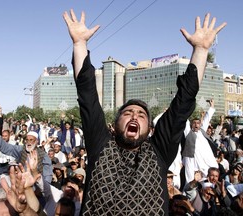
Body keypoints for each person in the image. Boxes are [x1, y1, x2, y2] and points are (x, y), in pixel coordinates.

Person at [63, 9, 226, 215]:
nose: (134, 116)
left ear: (149, 129)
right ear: (114, 125)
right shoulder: (100, 145)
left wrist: (201, 50)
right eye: (128, 112)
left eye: (141, 115)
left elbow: (182, 104)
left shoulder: (158, 151)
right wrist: (79, 44)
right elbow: (87, 96)